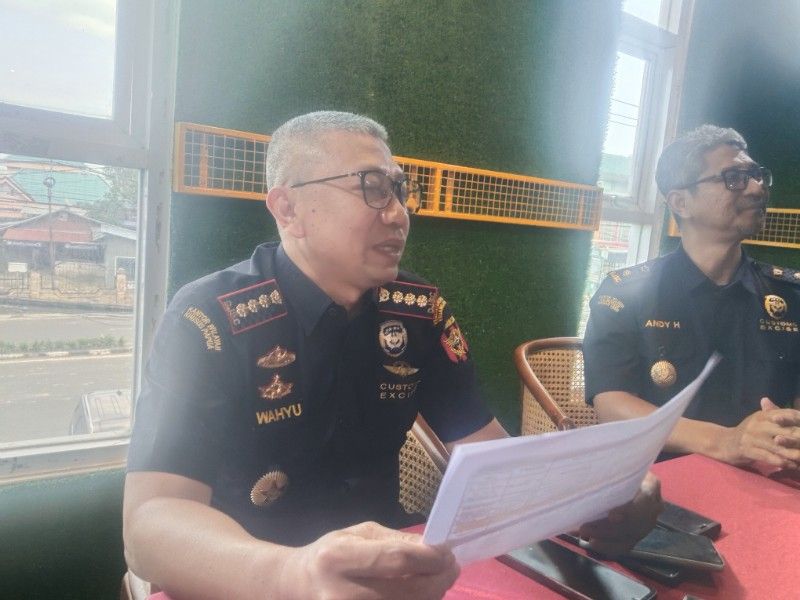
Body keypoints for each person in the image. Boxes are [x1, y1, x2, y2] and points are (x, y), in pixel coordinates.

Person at [124, 111, 660, 600]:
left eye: (401, 192)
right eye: (373, 189)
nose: (400, 215)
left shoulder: (418, 311)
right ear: (289, 208)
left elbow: (488, 455)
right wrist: (294, 575)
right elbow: (151, 521)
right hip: (248, 577)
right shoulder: (212, 318)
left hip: (387, 579)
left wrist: (596, 491)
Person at [584, 124, 800, 470]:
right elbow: (612, 403)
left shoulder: (789, 296)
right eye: (734, 178)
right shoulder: (625, 294)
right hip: (663, 482)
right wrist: (725, 442)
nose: (757, 187)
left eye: (757, 175)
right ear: (681, 202)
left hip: (766, 479)